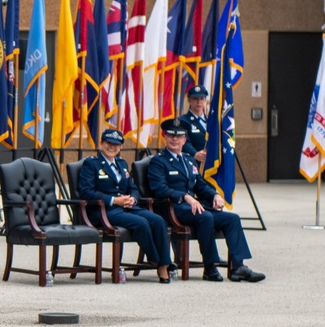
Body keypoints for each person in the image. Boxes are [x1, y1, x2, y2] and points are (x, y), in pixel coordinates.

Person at [147, 117, 265, 283]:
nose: (174, 139)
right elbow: (159, 189)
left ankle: (238, 266)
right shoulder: (158, 161)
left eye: (179, 136)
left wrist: (214, 195)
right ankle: (210, 267)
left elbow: (200, 185)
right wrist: (185, 197)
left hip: (193, 208)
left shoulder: (188, 160)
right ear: (164, 137)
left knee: (232, 219)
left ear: (184, 139)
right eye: (171, 135)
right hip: (173, 208)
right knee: (205, 217)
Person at [78, 129, 174, 283]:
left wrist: (133, 199)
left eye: (116, 144)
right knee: (141, 223)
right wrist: (114, 200)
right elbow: (86, 192)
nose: (112, 147)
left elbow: (133, 188)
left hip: (126, 207)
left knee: (158, 220)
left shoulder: (122, 164)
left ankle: (163, 261)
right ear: (101, 144)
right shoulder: (91, 164)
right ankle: (160, 263)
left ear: (120, 147)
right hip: (103, 210)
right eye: (109, 143)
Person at [180, 85, 209, 163]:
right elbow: (184, 141)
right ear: (189, 100)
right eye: (195, 98)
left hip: (210, 163)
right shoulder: (183, 120)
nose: (199, 102)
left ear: (205, 100)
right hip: (193, 162)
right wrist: (195, 154)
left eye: (201, 98)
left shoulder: (210, 121)